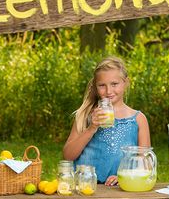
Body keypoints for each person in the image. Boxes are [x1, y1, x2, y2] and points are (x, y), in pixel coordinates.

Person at [63, 56, 150, 186]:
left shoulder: (138, 119)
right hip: (86, 188)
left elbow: (146, 164)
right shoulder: (85, 115)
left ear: (126, 83)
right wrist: (92, 128)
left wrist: (124, 177)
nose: (109, 91)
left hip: (121, 190)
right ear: (95, 86)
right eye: (102, 85)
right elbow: (68, 156)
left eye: (114, 84)